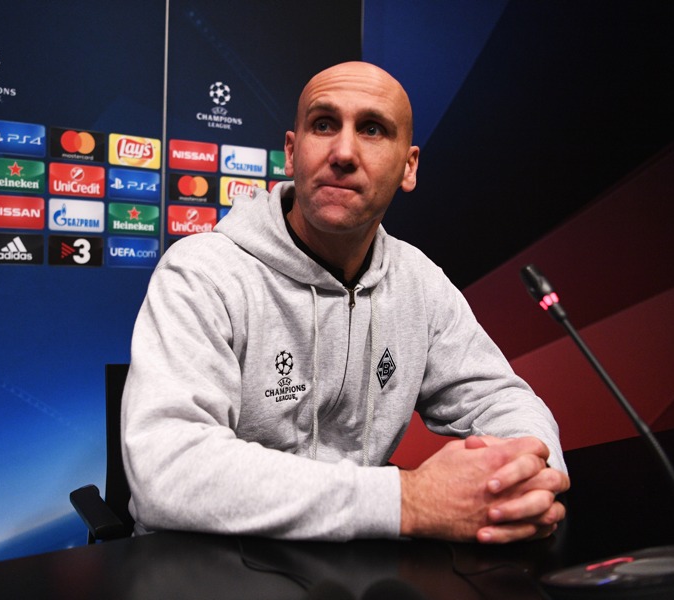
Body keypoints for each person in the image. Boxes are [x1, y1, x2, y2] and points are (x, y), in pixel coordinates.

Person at [121, 61, 569, 543]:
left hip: (353, 567)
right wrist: (407, 501)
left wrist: (526, 474)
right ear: (292, 153)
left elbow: (501, 399)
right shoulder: (202, 271)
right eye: (323, 124)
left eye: (373, 129)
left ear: (409, 166)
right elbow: (168, 469)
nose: (344, 152)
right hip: (206, 569)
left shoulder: (420, 281)